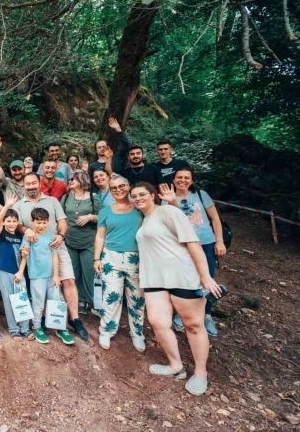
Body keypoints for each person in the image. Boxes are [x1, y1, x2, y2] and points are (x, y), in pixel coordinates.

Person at [131, 182, 222, 396]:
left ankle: (201, 373)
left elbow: (193, 243)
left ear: (153, 195)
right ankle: (175, 365)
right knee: (158, 322)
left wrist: (206, 277)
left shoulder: (168, 211)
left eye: (142, 194)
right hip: (154, 279)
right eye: (134, 195)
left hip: (181, 275)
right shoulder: (145, 220)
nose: (137, 198)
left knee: (193, 325)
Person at [12, 172, 89, 342]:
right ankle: (44, 323)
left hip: (56, 245)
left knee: (67, 280)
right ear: (23, 185)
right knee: (42, 291)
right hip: (36, 250)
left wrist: (61, 236)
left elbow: (62, 221)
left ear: (39, 183)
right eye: (27, 184)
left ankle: (74, 319)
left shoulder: (52, 201)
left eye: (34, 183)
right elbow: (15, 224)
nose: (31, 186)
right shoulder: (19, 204)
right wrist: (26, 229)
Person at [160, 169, 227, 336]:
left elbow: (215, 218)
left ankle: (207, 315)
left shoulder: (201, 194)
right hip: (181, 245)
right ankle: (182, 315)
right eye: (179, 177)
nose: (182, 180)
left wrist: (219, 240)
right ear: (173, 180)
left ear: (191, 180)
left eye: (186, 178)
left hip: (205, 241)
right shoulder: (167, 198)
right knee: (184, 279)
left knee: (208, 278)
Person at [93, 175, 145, 352]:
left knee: (137, 298)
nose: (118, 190)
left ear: (128, 186)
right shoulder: (105, 211)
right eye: (114, 188)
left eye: (121, 186)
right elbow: (100, 235)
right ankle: (106, 331)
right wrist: (97, 258)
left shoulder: (139, 208)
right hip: (111, 257)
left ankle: (137, 333)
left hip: (136, 257)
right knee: (112, 296)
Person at [14, 207, 66, 344]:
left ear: (48, 222)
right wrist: (20, 272)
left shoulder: (52, 237)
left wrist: (56, 275)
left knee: (56, 300)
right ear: (32, 222)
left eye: (44, 222)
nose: (41, 226)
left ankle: (59, 327)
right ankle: (36, 327)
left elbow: (55, 257)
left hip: (51, 276)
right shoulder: (29, 237)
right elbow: (24, 255)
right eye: (38, 222)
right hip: (37, 276)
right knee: (38, 304)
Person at [61, 170, 102, 314]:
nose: (70, 181)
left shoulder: (93, 197)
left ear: (82, 180)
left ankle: (91, 301)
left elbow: (101, 218)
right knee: (73, 272)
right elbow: (61, 217)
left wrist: (90, 217)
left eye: (74, 179)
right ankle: (78, 301)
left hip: (88, 240)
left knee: (89, 271)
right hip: (70, 240)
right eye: (70, 179)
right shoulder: (66, 198)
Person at [0, 195, 29, 339]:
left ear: (18, 222)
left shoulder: (21, 237)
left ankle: (25, 328)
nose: (11, 224)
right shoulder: (0, 234)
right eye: (8, 221)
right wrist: (7, 206)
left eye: (14, 221)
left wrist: (21, 272)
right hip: (4, 271)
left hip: (19, 272)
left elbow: (24, 256)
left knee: (22, 299)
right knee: (8, 301)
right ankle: (14, 329)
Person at [88, 117, 130, 189]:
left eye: (104, 146)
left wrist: (118, 130)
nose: (102, 149)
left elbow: (126, 146)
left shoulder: (116, 158)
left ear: (108, 147)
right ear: (96, 150)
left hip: (120, 189)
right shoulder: (93, 166)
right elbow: (92, 184)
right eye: (99, 147)